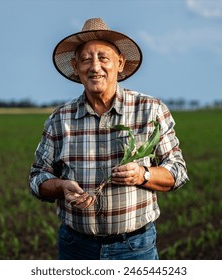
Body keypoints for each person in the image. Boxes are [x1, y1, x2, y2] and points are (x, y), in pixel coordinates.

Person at [29, 18, 189, 260]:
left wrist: (142, 174)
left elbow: (177, 171)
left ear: (120, 63)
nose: (95, 67)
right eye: (86, 59)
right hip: (76, 247)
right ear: (75, 66)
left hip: (135, 248)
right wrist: (62, 188)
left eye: (103, 58)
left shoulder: (150, 110)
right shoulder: (60, 119)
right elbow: (37, 178)